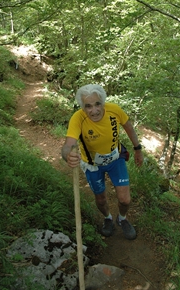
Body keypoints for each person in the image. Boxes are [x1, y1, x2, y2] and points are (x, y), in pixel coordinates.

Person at [61, 84, 144, 240]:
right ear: (82, 107)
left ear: (103, 102)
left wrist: (137, 149)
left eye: (97, 104)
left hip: (115, 159)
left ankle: (122, 218)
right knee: (100, 199)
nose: (94, 110)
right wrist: (68, 156)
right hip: (93, 165)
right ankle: (107, 218)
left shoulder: (114, 110)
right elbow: (68, 145)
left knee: (125, 199)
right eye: (88, 106)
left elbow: (128, 127)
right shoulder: (78, 118)